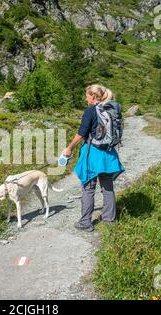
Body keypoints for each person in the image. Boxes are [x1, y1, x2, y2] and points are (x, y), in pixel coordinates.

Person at [63, 84, 125, 232]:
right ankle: (109, 219)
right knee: (107, 187)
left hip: (93, 153)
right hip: (108, 153)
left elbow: (81, 133)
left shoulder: (91, 111)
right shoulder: (112, 109)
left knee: (89, 188)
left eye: (87, 96)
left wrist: (69, 148)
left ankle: (86, 222)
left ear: (93, 96)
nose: (86, 99)